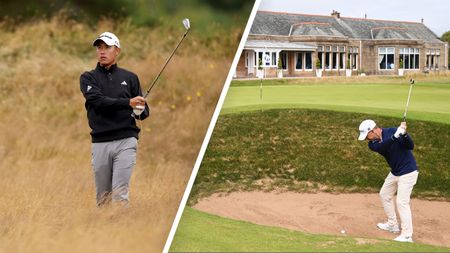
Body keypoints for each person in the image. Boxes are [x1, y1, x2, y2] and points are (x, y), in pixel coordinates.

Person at [80, 32, 149, 207]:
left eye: (107, 47)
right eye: (99, 47)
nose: (102, 51)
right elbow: (98, 101)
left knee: (120, 194)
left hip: (126, 140)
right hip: (100, 141)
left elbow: (143, 112)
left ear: (117, 50)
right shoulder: (88, 78)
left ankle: (124, 232)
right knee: (103, 198)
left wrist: (139, 108)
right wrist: (128, 102)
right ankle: (106, 232)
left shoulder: (130, 77)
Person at [358, 119, 419, 243]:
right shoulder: (373, 144)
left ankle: (407, 235)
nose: (366, 139)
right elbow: (384, 145)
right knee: (384, 194)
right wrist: (395, 136)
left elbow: (410, 146)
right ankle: (392, 224)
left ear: (373, 130)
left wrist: (404, 134)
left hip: (408, 171)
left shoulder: (391, 131)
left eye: (367, 136)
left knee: (402, 202)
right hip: (396, 171)